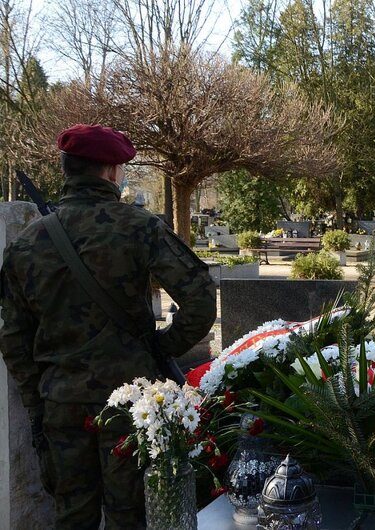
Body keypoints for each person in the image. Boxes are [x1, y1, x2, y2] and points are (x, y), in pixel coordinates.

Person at [0, 124, 217, 529]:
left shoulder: (26, 243)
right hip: (130, 403)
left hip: (61, 405)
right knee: (129, 516)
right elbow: (200, 298)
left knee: (72, 515)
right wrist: (162, 346)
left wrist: (37, 397)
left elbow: (13, 338)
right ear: (112, 171)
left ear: (67, 170)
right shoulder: (137, 226)